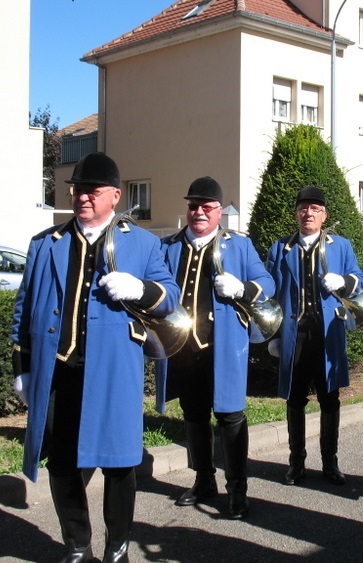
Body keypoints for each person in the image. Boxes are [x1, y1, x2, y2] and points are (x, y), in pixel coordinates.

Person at [11, 152, 180, 563]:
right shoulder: (44, 244)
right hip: (59, 371)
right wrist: (24, 370)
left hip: (114, 372)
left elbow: (170, 296)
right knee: (62, 463)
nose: (82, 197)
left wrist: (140, 288)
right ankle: (77, 544)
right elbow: (23, 309)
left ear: (115, 196)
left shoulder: (142, 243)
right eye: (77, 189)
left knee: (120, 464)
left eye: (92, 190)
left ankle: (118, 546)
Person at [154, 177, 275, 519]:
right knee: (193, 417)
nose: (199, 213)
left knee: (230, 417)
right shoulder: (168, 246)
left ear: (219, 212)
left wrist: (243, 287)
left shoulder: (238, 246)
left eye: (206, 207)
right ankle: (203, 479)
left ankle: (237, 488)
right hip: (182, 349)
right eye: (193, 206)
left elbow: (268, 282)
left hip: (223, 348)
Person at [266, 186, 363, 486]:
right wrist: (273, 334)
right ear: (296, 213)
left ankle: (330, 463)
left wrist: (345, 281)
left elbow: (360, 281)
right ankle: (296, 463)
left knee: (330, 399)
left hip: (327, 335)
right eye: (303, 208)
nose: (308, 213)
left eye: (314, 209)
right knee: (294, 400)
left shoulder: (341, 246)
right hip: (294, 335)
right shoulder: (280, 248)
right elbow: (270, 292)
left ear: (324, 215)